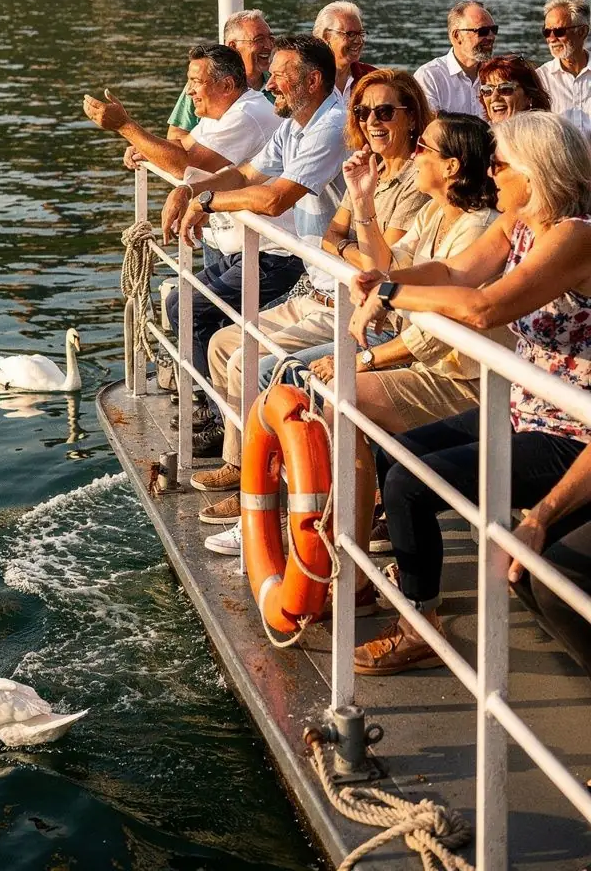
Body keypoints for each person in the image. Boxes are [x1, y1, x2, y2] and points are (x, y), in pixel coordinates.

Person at [346, 111, 591, 675]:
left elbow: (485, 308)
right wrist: (394, 284)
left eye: (501, 164)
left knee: (409, 484)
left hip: (571, 431)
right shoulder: (519, 221)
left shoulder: (574, 235)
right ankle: (418, 600)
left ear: (535, 173)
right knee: (397, 454)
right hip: (527, 410)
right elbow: (457, 275)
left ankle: (417, 625)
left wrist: (392, 293)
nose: (491, 173)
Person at [194, 70, 432, 532]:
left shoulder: (415, 181)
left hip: (374, 316)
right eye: (363, 113)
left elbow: (383, 265)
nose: (371, 122)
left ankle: (274, 503)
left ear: (412, 117)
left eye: (384, 112)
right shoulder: (371, 166)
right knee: (224, 343)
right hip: (338, 295)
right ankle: (248, 474)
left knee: (257, 365)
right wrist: (350, 247)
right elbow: (334, 237)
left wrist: (352, 244)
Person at [307, 113, 498, 604]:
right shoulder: (437, 214)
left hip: (467, 382)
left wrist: (365, 361)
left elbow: (438, 337)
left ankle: (347, 547)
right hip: (431, 370)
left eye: (426, 149)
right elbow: (386, 267)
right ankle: (348, 535)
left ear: (451, 167)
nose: (415, 154)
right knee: (333, 393)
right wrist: (364, 200)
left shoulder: (479, 228)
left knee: (340, 399)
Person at [162, 35, 347, 451]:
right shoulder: (296, 125)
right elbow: (246, 175)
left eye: (280, 77)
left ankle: (251, 470)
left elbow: (274, 198)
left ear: (313, 80)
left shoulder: (331, 127)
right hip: (318, 291)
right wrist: (192, 192)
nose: (269, 85)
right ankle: (237, 458)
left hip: (341, 296)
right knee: (222, 341)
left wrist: (208, 202)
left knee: (246, 358)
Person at [83, 43, 279, 183]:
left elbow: (187, 166)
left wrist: (125, 126)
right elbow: (183, 146)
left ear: (227, 85)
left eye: (196, 81)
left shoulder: (246, 114)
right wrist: (145, 148)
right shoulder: (224, 109)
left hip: (263, 238)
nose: (189, 91)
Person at [508, 444, 591, 678]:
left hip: (560, 433)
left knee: (557, 576)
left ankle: (420, 632)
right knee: (522, 559)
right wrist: (538, 519)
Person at [166, 10, 275, 142]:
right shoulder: (201, 86)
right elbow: (176, 136)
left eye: (271, 38)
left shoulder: (281, 84)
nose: (269, 46)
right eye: (259, 39)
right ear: (233, 46)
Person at [414, 0, 498, 116]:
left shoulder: (499, 75)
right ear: (457, 36)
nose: (491, 36)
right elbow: (431, 127)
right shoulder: (429, 77)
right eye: (482, 31)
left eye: (494, 30)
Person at [537, 0, 591, 136]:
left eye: (559, 32)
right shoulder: (540, 79)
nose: (552, 39)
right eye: (547, 32)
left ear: (582, 32)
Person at [313, 1, 376, 98]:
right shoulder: (307, 79)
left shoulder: (373, 78)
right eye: (350, 34)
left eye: (361, 34)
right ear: (326, 37)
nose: (358, 41)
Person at [476, 55, 551, 123]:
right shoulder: (480, 136)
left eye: (505, 89)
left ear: (529, 97)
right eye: (487, 90)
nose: (494, 97)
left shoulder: (546, 134)